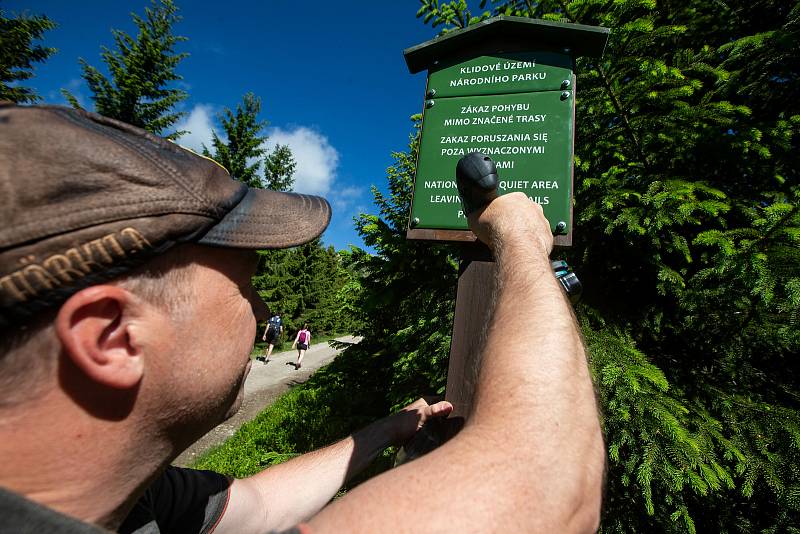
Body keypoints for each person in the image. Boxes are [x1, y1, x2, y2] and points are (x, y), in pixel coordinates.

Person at [0, 104, 604, 533]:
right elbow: (553, 488)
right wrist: (522, 244)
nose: (264, 312)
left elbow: (257, 507)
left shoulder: (133, 503)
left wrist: (387, 430)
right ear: (112, 336)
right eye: (245, 283)